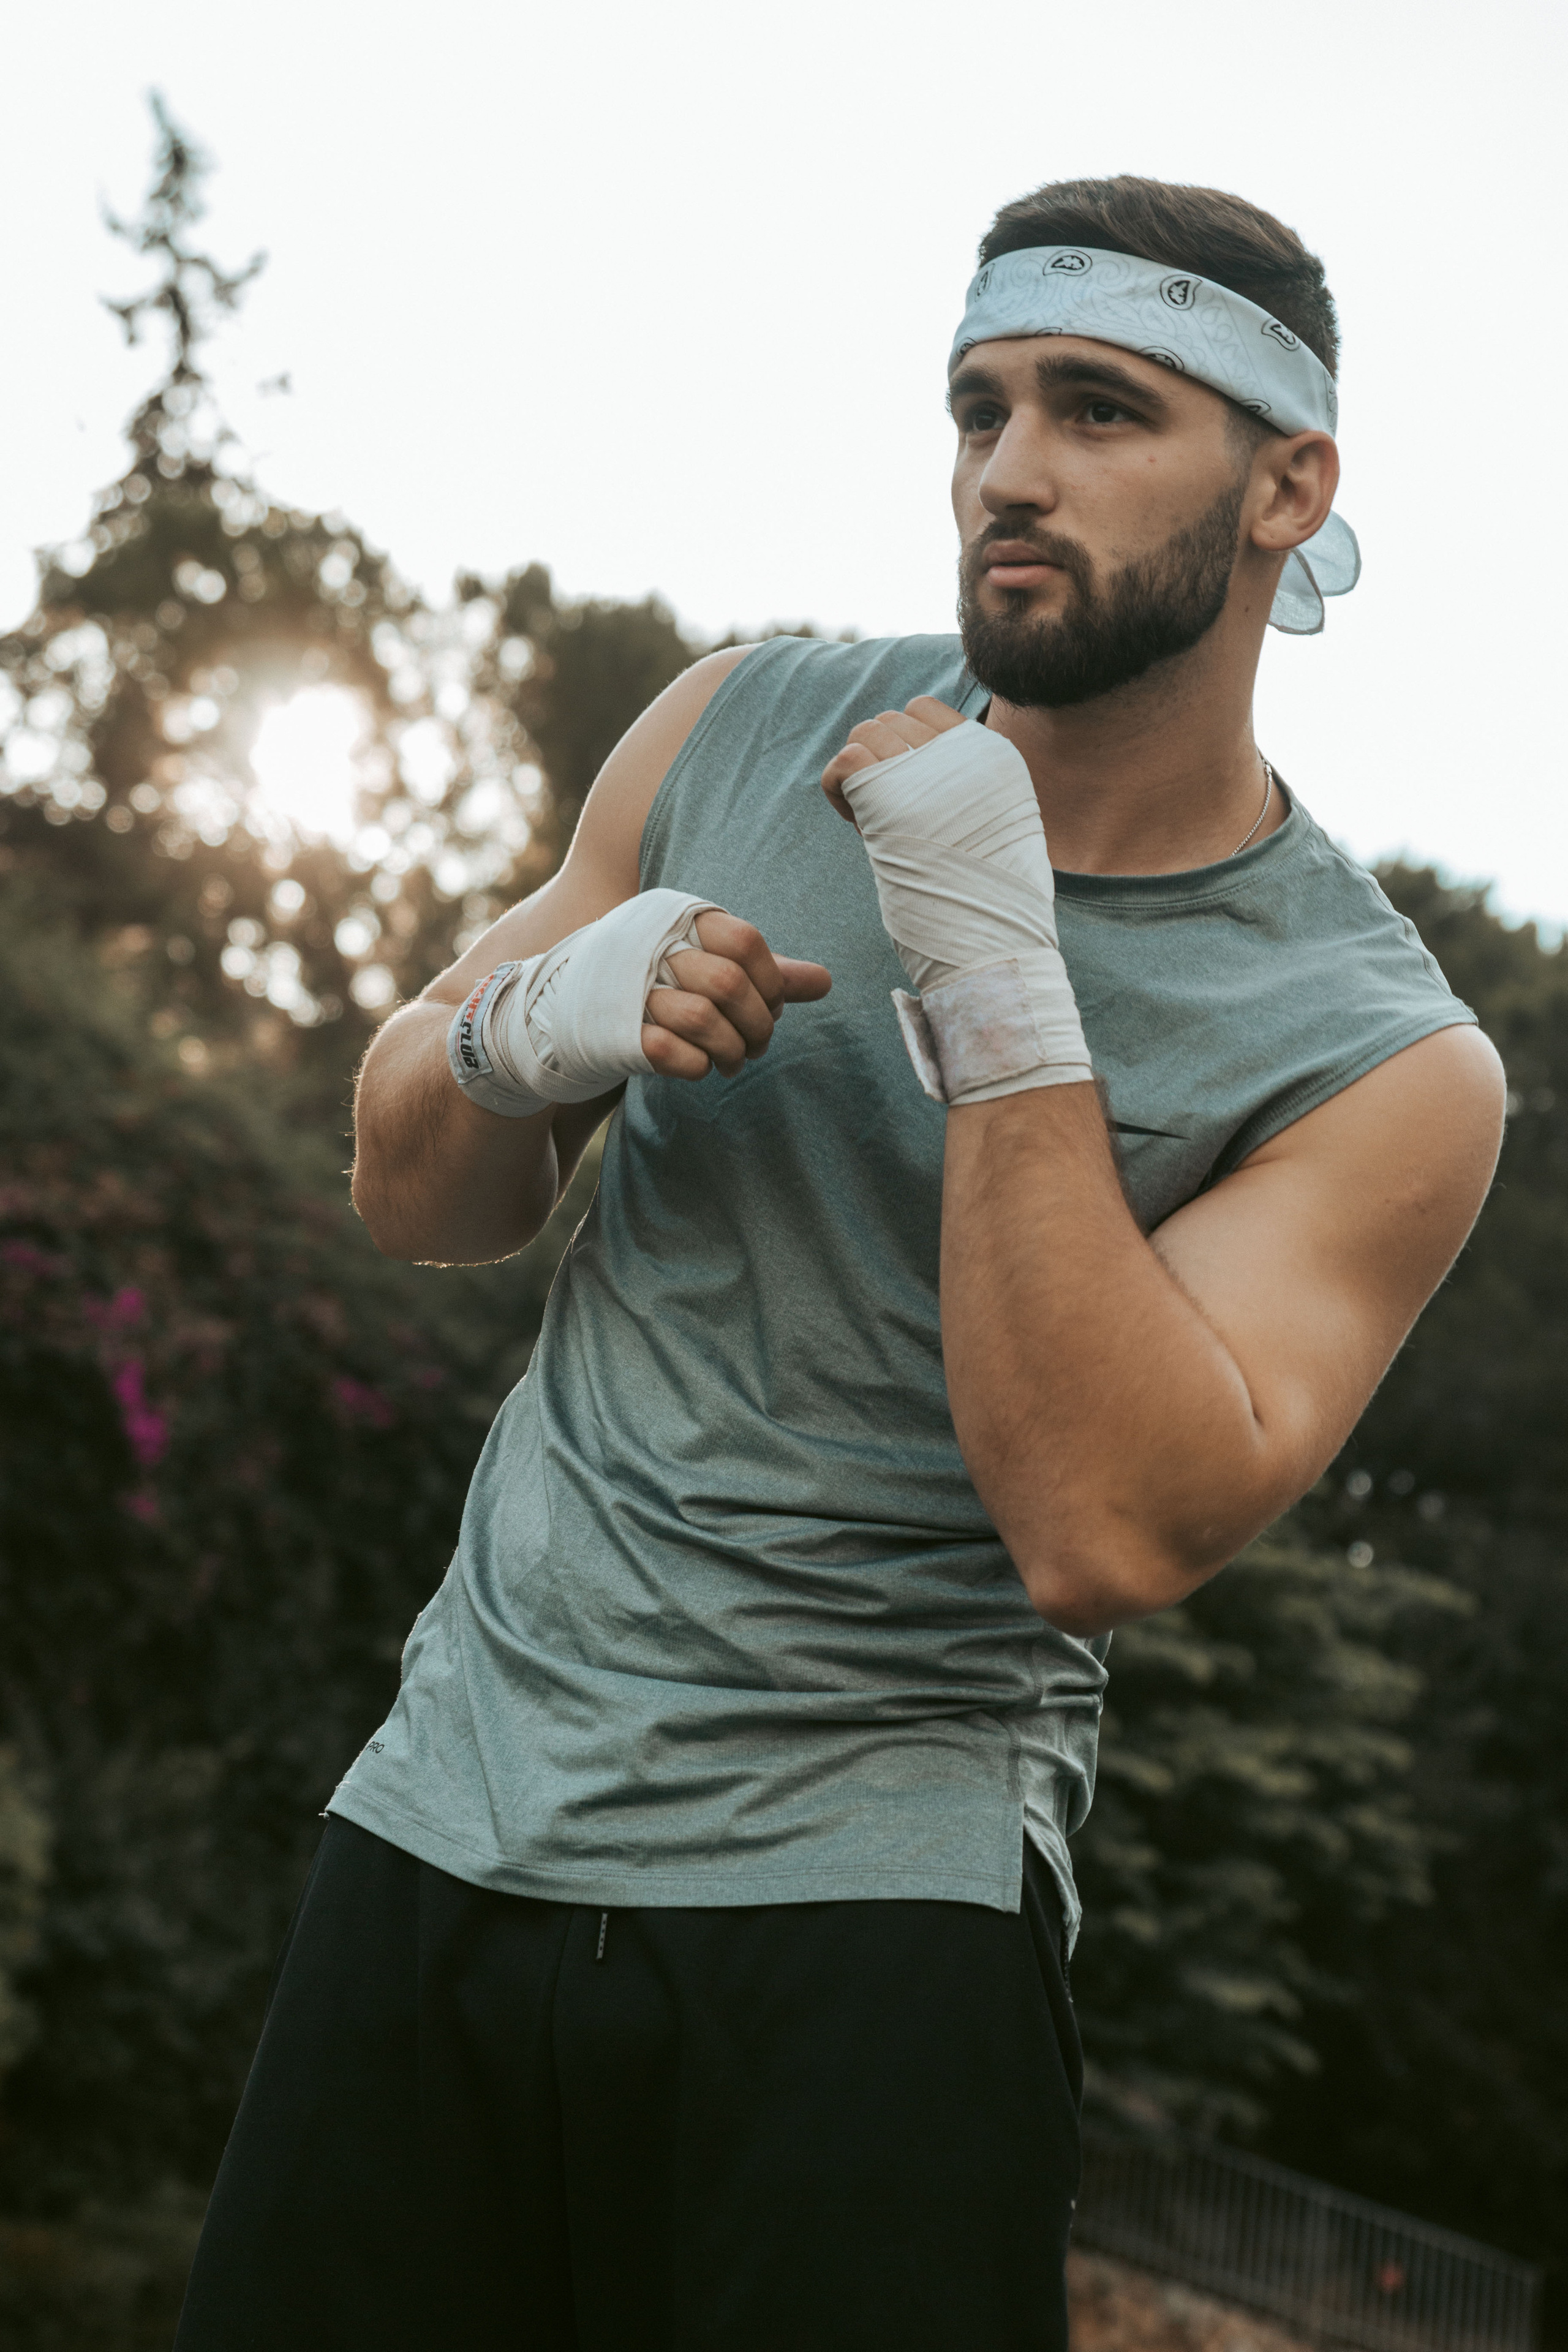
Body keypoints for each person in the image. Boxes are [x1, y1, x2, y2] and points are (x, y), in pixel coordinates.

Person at [175, 175, 1504, 2351]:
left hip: (874, 1927)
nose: (1009, 471)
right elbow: (413, 1184)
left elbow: (1097, 1524)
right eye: (978, 408)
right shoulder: (739, 728)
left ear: (1291, 486)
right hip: (440, 1834)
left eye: (1097, 410)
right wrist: (530, 1022)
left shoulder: (1384, 1059)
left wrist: (993, 952)